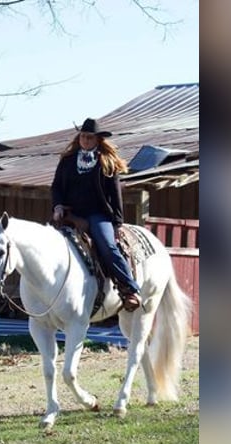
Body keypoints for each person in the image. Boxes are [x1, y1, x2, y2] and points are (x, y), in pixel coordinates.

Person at [51, 117, 141, 311]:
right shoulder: (67, 161)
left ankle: (130, 289)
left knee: (108, 246)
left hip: (97, 215)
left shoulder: (107, 163)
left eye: (89, 137)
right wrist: (57, 205)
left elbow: (115, 195)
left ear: (98, 140)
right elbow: (56, 186)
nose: (85, 140)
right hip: (70, 213)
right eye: (82, 136)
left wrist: (117, 224)